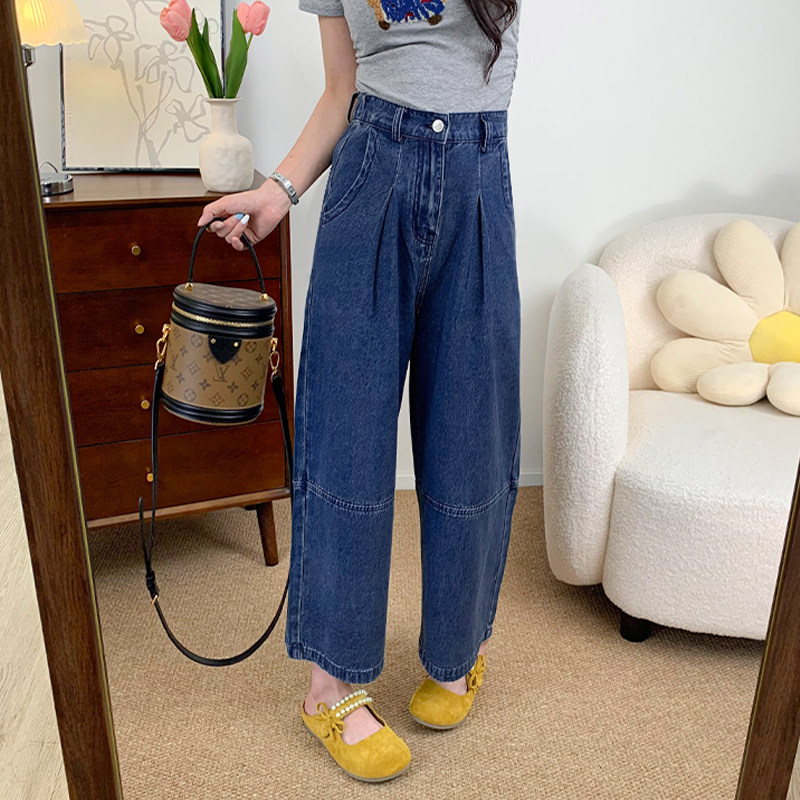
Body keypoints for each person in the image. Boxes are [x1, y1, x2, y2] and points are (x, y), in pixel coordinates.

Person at [197, 0, 521, 782]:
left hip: (480, 171)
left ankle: (459, 652)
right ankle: (330, 688)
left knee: (472, 432)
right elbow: (342, 87)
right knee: (346, 435)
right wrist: (278, 191)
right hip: (373, 169)